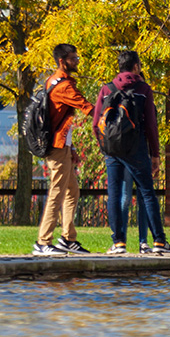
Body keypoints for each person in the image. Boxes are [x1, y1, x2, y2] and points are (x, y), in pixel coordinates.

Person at [93, 50, 170, 254]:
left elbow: (96, 123)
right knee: (148, 193)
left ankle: (118, 242)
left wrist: (104, 146)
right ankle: (158, 241)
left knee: (114, 193)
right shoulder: (143, 89)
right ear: (136, 66)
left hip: (112, 149)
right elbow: (150, 124)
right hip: (136, 147)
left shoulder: (107, 89)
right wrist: (155, 154)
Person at [33, 44, 95, 256]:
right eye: (73, 57)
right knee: (57, 193)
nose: (77, 60)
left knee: (71, 192)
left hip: (62, 145)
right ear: (62, 61)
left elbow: (60, 120)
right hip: (57, 148)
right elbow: (87, 107)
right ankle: (43, 242)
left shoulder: (53, 81)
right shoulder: (63, 86)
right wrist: (107, 117)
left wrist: (71, 147)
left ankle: (68, 239)